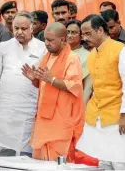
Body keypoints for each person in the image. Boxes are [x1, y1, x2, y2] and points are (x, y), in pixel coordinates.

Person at [77, 14, 125, 170]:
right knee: (104, 162)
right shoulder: (91, 56)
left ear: (100, 30)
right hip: (98, 116)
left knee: (120, 162)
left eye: (88, 33)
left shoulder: (122, 51)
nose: (84, 38)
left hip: (118, 116)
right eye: (83, 34)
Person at [22, 22, 84, 162]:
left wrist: (52, 79)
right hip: (44, 118)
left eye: (50, 40)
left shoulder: (72, 58)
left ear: (62, 40)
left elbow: (75, 86)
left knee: (58, 160)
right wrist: (34, 80)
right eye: (45, 39)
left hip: (61, 119)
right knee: (40, 160)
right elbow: (44, 84)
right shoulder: (47, 57)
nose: (46, 43)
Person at [0, 12, 46, 157]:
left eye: (24, 28)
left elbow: (44, 79)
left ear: (32, 28)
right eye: (16, 28)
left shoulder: (42, 48)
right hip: (6, 108)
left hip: (30, 107)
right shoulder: (4, 46)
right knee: (4, 151)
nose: (19, 32)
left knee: (27, 151)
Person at [66, 20, 92, 106]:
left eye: (73, 33)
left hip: (76, 101)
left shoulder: (88, 56)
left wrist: (82, 107)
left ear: (81, 36)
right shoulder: (59, 53)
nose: (69, 35)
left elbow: (87, 88)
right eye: (67, 32)